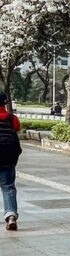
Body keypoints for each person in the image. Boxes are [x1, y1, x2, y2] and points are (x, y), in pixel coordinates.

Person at [0, 93, 22, 232]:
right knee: (8, 187)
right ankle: (11, 216)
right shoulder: (12, 118)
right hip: (7, 158)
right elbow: (17, 129)